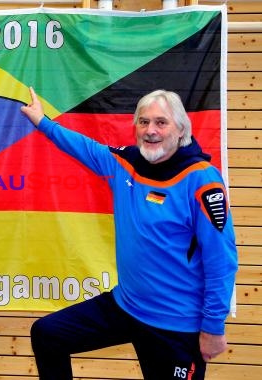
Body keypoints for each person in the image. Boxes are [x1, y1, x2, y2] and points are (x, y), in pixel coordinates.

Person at [20, 87, 238, 380]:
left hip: (176, 326)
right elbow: (83, 147)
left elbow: (221, 261)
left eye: (161, 122)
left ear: (181, 129)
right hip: (127, 307)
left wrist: (213, 327)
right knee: (48, 334)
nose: (151, 130)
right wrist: (42, 122)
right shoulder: (125, 163)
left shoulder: (202, 180)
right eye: (144, 122)